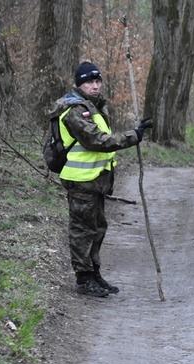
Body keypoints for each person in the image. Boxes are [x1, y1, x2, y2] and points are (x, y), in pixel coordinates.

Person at [48, 61, 153, 297]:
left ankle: (94, 274)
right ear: (79, 85)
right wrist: (132, 136)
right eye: (88, 82)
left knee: (97, 228)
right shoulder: (75, 110)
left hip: (94, 180)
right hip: (80, 181)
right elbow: (97, 141)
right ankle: (84, 279)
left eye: (97, 81)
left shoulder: (94, 107)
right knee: (82, 231)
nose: (94, 86)